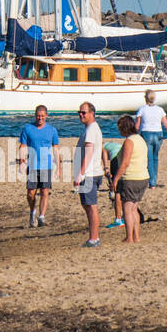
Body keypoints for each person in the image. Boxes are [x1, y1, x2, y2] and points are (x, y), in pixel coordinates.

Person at [17, 105, 60, 228]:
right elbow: (23, 146)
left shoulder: (52, 130)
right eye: (38, 116)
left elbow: (56, 148)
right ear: (35, 115)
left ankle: (41, 217)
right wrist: (22, 162)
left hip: (46, 165)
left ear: (46, 116)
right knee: (31, 193)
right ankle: (32, 212)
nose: (40, 118)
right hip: (33, 165)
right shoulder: (27, 128)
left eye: (42, 116)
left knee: (44, 192)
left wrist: (59, 167)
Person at [111, 115, 150, 243]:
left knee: (127, 209)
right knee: (134, 209)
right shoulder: (140, 139)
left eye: (120, 128)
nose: (119, 131)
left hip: (131, 178)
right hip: (143, 177)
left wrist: (116, 178)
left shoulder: (129, 141)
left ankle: (129, 237)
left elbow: (125, 162)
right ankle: (136, 237)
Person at [73, 101, 106, 247]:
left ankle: (94, 238)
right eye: (79, 112)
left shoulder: (92, 129)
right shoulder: (91, 128)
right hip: (92, 172)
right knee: (87, 205)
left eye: (83, 112)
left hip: (90, 174)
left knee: (91, 206)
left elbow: (89, 152)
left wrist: (80, 174)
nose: (81, 115)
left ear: (92, 113)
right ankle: (93, 237)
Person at [135, 90, 167, 188]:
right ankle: (154, 180)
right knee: (155, 157)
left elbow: (137, 125)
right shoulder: (160, 109)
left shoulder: (142, 109)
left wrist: (135, 135)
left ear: (146, 98)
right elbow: (166, 123)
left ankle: (152, 182)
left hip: (146, 133)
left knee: (149, 158)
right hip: (158, 133)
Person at [103, 137, 125, 229]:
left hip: (115, 159)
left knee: (117, 191)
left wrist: (106, 168)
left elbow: (104, 157)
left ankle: (118, 219)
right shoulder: (112, 145)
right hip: (123, 158)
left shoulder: (102, 147)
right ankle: (125, 217)